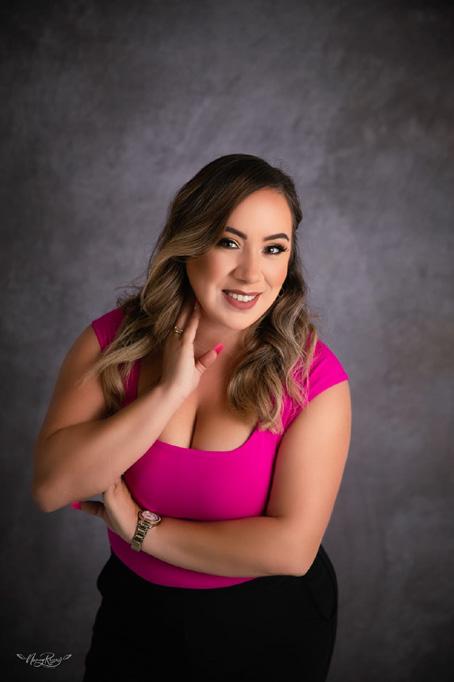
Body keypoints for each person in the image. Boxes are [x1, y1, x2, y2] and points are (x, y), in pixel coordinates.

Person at [32, 153, 352, 681]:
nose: (251, 273)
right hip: (135, 615)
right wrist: (167, 392)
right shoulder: (114, 342)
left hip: (269, 628)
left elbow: (292, 549)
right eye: (229, 242)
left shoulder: (314, 378)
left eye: (274, 248)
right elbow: (50, 488)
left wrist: (142, 531)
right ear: (189, 242)